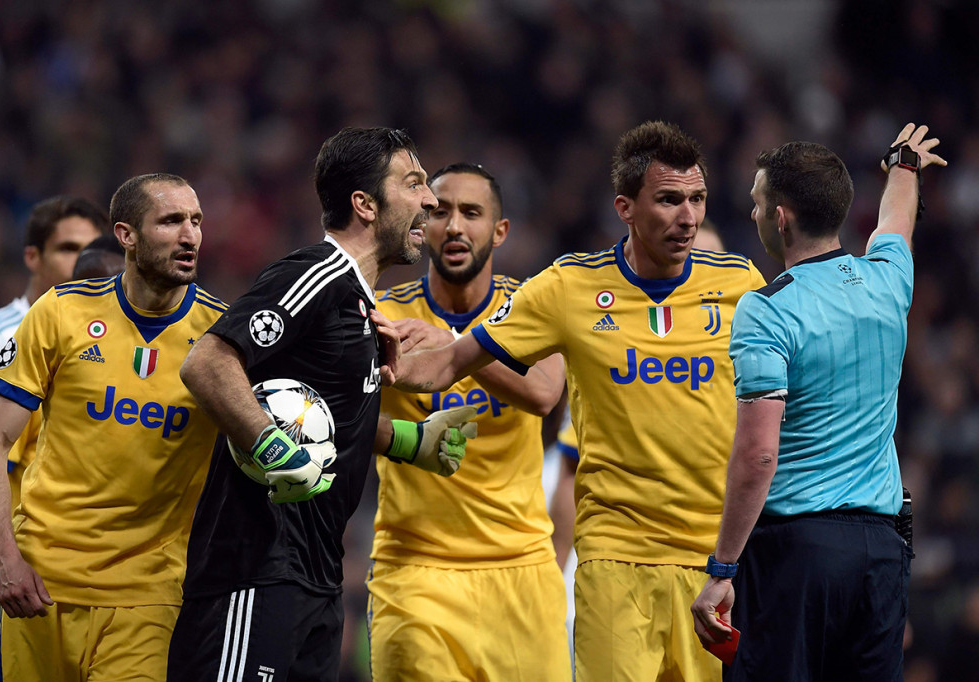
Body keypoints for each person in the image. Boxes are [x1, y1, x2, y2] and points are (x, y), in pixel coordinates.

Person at [373, 120, 768, 681]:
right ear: (625, 208)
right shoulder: (569, 288)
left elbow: (775, 420)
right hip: (612, 557)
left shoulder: (740, 284)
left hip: (711, 563)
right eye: (669, 200)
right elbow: (449, 366)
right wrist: (376, 368)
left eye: (697, 199)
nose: (688, 218)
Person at [167, 127, 479, 682]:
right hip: (255, 570)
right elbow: (208, 363)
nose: (431, 201)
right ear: (365, 204)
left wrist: (410, 440)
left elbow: (322, 414)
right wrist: (270, 446)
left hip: (316, 576)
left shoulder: (360, 304)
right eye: (413, 184)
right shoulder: (317, 273)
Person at [690, 123, 946, 681]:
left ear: (780, 218)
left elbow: (759, 454)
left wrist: (723, 567)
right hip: (882, 554)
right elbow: (896, 222)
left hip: (797, 556)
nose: (753, 212)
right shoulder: (888, 281)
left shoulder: (767, 310)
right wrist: (904, 167)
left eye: (758, 202)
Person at [0, 173, 226, 681]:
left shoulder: (220, 335)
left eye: (196, 221)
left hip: (148, 594)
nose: (190, 236)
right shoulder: (61, 312)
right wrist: (6, 562)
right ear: (126, 235)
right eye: (171, 221)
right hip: (39, 583)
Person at [367, 162, 570, 681]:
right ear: (422, 226)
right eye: (441, 213)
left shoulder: (533, 307)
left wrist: (456, 347)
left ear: (499, 231)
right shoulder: (382, 316)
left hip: (522, 571)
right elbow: (336, 413)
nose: (455, 226)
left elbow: (544, 394)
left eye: (472, 213)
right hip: (415, 569)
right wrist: (400, 439)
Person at [0, 196, 106, 682]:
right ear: (32, 257)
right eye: (68, 249)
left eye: (91, 250)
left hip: (50, 581)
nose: (82, 263)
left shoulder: (94, 341)